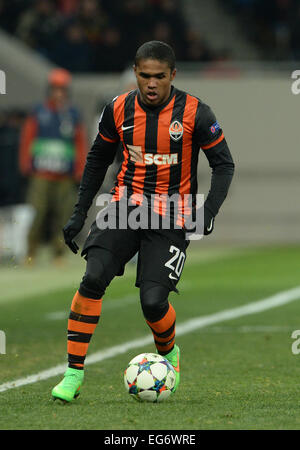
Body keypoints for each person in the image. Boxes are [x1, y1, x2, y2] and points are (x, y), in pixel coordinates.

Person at [51, 41, 235, 402]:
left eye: (160, 77)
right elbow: (97, 159)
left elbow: (224, 164)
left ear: (173, 75)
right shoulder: (117, 109)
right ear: (135, 72)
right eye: (145, 76)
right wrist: (79, 213)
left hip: (172, 216)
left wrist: (208, 212)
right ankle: (72, 374)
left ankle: (169, 353)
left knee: (152, 302)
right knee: (92, 277)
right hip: (124, 208)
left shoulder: (196, 112)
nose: (152, 84)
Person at [19, 68, 88, 265]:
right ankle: (30, 252)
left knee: (64, 214)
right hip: (41, 173)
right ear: (50, 90)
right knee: (37, 213)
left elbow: (80, 142)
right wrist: (25, 164)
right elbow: (27, 138)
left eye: (62, 89)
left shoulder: (73, 114)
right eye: (55, 89)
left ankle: (59, 253)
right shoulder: (38, 112)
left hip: (65, 175)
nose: (59, 93)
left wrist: (80, 168)